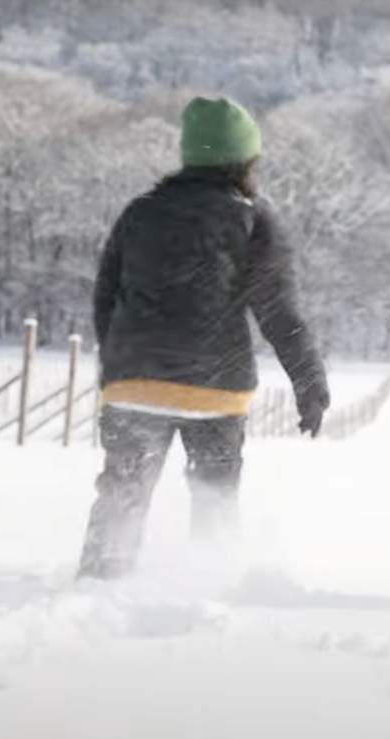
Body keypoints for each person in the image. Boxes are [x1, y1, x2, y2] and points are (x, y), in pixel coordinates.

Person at [77, 97, 330, 580]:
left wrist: (119, 368)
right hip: (215, 389)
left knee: (122, 494)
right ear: (246, 161)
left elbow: (105, 298)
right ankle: (206, 589)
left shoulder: (141, 213)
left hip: (135, 385)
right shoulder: (254, 219)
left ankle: (96, 586)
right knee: (214, 498)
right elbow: (279, 310)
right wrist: (309, 382)